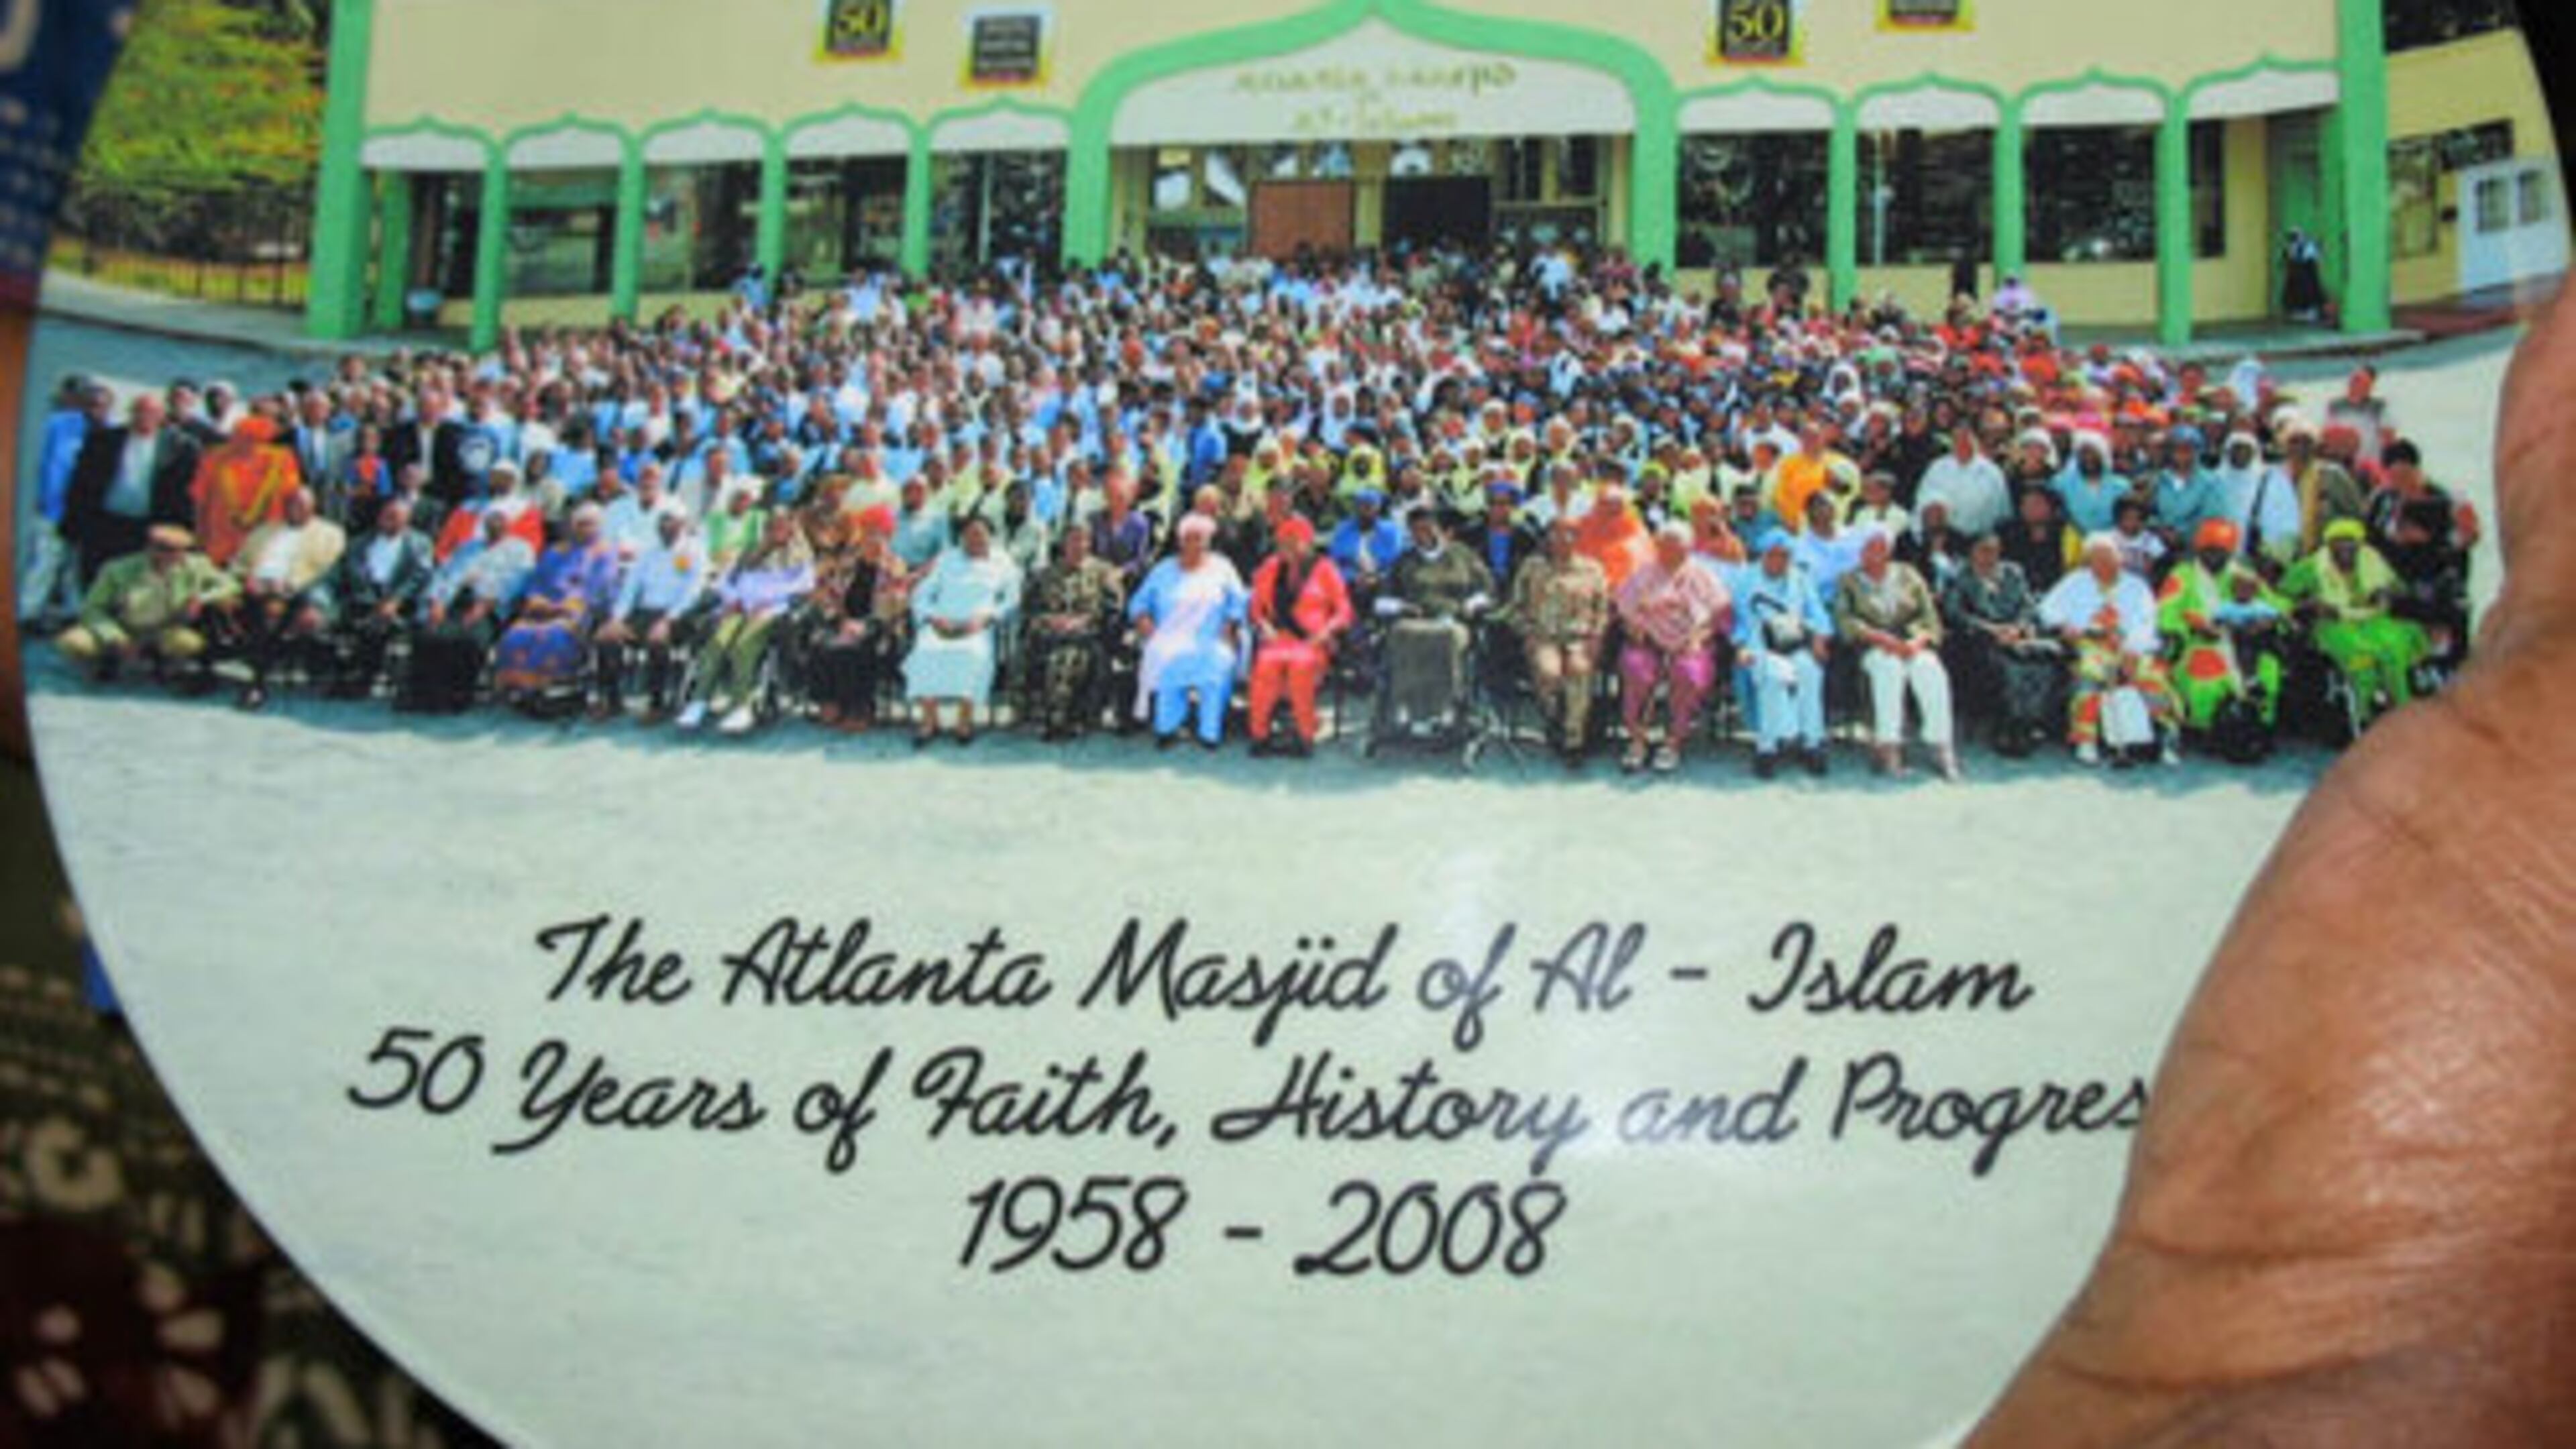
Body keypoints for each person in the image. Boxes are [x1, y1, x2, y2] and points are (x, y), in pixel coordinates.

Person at [2277, 518, 2430, 734]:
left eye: (2351, 542)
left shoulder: (2373, 560)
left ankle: (2399, 709)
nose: (2345, 547)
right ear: (2329, 545)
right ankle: (2365, 714)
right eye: (2338, 542)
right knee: (2362, 661)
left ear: (2360, 545)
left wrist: (2387, 592)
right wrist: (2308, 606)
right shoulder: (2311, 567)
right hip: (2333, 625)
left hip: (2372, 620)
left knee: (2394, 648)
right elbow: (2281, 598)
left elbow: (2399, 588)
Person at [2039, 532, 2180, 767]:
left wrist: (2132, 651)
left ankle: (2166, 741)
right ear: (2089, 562)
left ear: (2121, 559)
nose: (2104, 565)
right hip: (2090, 645)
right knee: (2089, 675)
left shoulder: (2137, 586)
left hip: (2131, 647)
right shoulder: (2076, 581)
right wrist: (2064, 626)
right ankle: (2086, 740)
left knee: (2153, 677)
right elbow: (2046, 609)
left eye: (2110, 558)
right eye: (2098, 560)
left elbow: (2148, 622)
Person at [1835, 526, 1958, 780]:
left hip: (1911, 642)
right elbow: (1846, 620)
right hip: (1874, 645)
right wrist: (1881, 639)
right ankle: (1889, 745)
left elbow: (1930, 618)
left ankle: (1940, 744)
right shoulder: (1848, 581)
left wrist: (1917, 641)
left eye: (1882, 546)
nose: (1876, 553)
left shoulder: (1909, 575)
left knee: (1930, 670)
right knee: (1888, 670)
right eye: (1870, 547)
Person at [2157, 519, 2288, 753]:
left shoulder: (2242, 575)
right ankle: (2207, 730)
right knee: (2206, 669)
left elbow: (2276, 605)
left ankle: (2257, 727)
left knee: (2268, 669)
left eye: (2221, 553)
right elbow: (2167, 612)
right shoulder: (2182, 575)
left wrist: (2265, 622)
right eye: (2209, 552)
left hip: (2243, 641)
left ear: (2230, 553)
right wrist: (2194, 629)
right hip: (2198, 642)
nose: (2214, 558)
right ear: (2199, 550)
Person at [682, 511, 817, 735]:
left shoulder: (799, 556)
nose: (775, 532)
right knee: (718, 642)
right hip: (739, 608)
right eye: (771, 527)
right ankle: (699, 701)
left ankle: (741, 705)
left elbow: (804, 588)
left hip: (771, 611)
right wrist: (732, 600)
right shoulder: (749, 553)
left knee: (744, 646)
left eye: (781, 527)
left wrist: (769, 603)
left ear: (791, 529)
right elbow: (725, 582)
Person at [53, 525, 240, 686]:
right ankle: (105, 661)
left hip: (163, 629)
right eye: (166, 550)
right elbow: (92, 609)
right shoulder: (117, 570)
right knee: (75, 643)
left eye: (181, 550)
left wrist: (201, 598)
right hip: (123, 627)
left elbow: (231, 584)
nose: (174, 556)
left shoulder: (196, 566)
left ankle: (162, 663)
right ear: (150, 548)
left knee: (188, 643)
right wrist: (114, 636)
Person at [1613, 523, 1729, 775]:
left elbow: (1720, 616)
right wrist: (1634, 627)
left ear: (1688, 549)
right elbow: (1624, 608)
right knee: (1636, 670)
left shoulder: (1702, 575)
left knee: (1688, 674)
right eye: (1664, 546)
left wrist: (1699, 636)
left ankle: (1674, 740)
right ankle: (1637, 738)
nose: (1670, 552)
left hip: (1690, 643)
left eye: (1677, 547)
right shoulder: (1644, 573)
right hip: (1648, 641)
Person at [1129, 513, 1249, 750]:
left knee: (1218, 661)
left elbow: (1239, 600)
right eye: (1189, 539)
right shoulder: (1163, 570)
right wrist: (1143, 619)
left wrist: (1231, 623)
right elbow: (1138, 602)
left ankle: (1209, 732)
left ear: (1208, 542)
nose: (1194, 545)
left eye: (1200, 539)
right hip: (1169, 636)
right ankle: (1168, 728)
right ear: (1180, 541)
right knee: (1165, 656)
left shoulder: (1222, 567)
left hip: (1212, 637)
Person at [223, 486, 349, 710]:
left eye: (301, 505)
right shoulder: (264, 530)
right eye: (290, 504)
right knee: (226, 606)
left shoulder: (331, 533)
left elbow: (329, 572)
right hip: (255, 587)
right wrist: (248, 579)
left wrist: (289, 585)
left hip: (296, 590)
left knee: (272, 612)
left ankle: (257, 682)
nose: (295, 509)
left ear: (313, 507)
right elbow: (238, 562)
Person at [1373, 508, 1495, 735]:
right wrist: (1402, 606)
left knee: (1444, 637)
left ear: (1441, 529)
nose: (1424, 534)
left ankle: (1445, 707)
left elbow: (1488, 591)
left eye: (1429, 527)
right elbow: (1381, 601)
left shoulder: (1462, 555)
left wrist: (1471, 605)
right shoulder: (1405, 561)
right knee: (1403, 635)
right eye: (1417, 530)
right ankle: (1408, 708)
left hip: (1454, 621)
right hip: (1415, 620)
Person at [1942, 531, 2063, 758]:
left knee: (2046, 659)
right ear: (1971, 553)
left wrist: (2018, 627)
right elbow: (1955, 613)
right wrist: (1992, 630)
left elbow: (2029, 605)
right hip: (1980, 638)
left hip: (2017, 634)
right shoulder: (1960, 576)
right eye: (1984, 551)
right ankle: (2009, 724)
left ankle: (2030, 720)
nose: (1990, 556)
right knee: (2005, 664)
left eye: (1995, 551)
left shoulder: (2013, 573)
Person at [402, 508, 535, 713]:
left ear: (509, 526)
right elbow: (443, 574)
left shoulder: (521, 550)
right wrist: (436, 601)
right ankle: (422, 696)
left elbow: (517, 582)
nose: (495, 528)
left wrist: (486, 604)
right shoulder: (468, 547)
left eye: (500, 523)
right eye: (490, 523)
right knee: (428, 635)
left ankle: (456, 698)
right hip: (454, 601)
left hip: (489, 605)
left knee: (469, 639)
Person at [904, 515, 1021, 745]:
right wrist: (932, 617)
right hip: (942, 621)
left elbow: (1012, 599)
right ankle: (930, 720)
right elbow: (921, 594)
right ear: (961, 537)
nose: (975, 539)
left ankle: (964, 720)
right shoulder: (947, 559)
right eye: (969, 534)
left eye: (980, 534)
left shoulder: (1002, 562)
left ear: (991, 537)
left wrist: (988, 617)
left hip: (977, 624)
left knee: (973, 654)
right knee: (926, 651)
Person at [60, 393, 199, 588]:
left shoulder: (179, 447)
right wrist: (72, 522)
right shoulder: (104, 440)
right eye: (139, 412)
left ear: (162, 417)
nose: (144, 417)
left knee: (136, 585)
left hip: (147, 528)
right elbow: (80, 484)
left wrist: (182, 532)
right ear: (131, 413)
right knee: (95, 578)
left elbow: (184, 493)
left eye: (151, 413)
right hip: (105, 523)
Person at [1508, 517, 1613, 767]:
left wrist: (1597, 636)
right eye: (1555, 534)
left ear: (1578, 538)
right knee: (1549, 672)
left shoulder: (1592, 569)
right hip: (1543, 635)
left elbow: (1603, 609)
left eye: (1568, 535)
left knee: (1579, 669)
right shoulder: (1532, 568)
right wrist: (1527, 633)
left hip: (1580, 637)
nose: (1561, 540)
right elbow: (1515, 607)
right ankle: (1554, 718)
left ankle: (1573, 739)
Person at [492, 503, 619, 710]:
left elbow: (601, 587)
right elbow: (536, 580)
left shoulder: (605, 553)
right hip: (544, 608)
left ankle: (553, 690)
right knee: (515, 635)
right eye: (580, 524)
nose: (585, 529)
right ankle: (519, 688)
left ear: (599, 526)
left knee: (553, 636)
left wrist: (565, 607)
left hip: (578, 611)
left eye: (590, 524)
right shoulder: (556, 551)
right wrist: (537, 600)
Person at [1244, 515, 1352, 757]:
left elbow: (1344, 609)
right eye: (1284, 543)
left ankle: (1305, 734)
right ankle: (1259, 734)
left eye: (1294, 542)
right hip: (1278, 638)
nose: (1288, 548)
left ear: (1307, 542)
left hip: (1313, 641)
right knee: (1265, 666)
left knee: (1300, 667)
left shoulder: (1324, 568)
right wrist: (1264, 626)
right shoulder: (1270, 567)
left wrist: (1327, 631)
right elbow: (1256, 608)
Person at [312, 496, 437, 698]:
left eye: (395, 517)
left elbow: (421, 576)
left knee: (379, 622)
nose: (388, 520)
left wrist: (396, 600)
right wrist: (319, 598)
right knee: (320, 619)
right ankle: (343, 674)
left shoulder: (420, 543)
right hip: (362, 598)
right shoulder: (359, 542)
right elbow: (338, 573)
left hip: (400, 603)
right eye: (385, 515)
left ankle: (359, 678)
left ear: (407, 520)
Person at [1734, 529, 1833, 779]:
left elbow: (1817, 613)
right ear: (1763, 555)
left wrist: (1820, 638)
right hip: (1760, 644)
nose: (1779, 561)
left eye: (1785, 556)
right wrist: (1742, 646)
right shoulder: (1747, 579)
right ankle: (1767, 747)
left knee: (1810, 672)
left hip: (1797, 641)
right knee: (1774, 675)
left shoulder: (1800, 578)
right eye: (1773, 555)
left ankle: (1812, 743)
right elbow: (1741, 620)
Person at [592, 508, 709, 721]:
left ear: (682, 525)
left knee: (657, 641)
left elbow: (693, 591)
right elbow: (630, 588)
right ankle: (612, 701)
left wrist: (667, 620)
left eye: (671, 523)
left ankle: (658, 703)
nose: (666, 529)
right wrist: (617, 619)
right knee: (606, 637)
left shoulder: (694, 550)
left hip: (679, 614)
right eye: (662, 524)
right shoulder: (648, 553)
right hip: (645, 611)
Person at [804, 504, 912, 733]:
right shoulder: (847, 563)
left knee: (857, 647)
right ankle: (830, 700)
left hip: (880, 626)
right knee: (819, 640)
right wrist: (840, 621)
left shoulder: (895, 565)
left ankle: (860, 707)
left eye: (878, 533)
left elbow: (896, 603)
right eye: (868, 532)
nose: (873, 539)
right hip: (844, 621)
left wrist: (865, 625)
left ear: (887, 536)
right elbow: (827, 593)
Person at [1017, 522, 1124, 742]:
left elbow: (1114, 607)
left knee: (1067, 658)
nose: (1079, 545)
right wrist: (1048, 619)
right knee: (1035, 652)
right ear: (1063, 543)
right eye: (1073, 540)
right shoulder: (1044, 574)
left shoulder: (1104, 572)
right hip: (1049, 632)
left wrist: (1085, 619)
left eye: (1084, 540)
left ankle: (1063, 720)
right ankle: (1044, 715)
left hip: (1087, 633)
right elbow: (1029, 607)